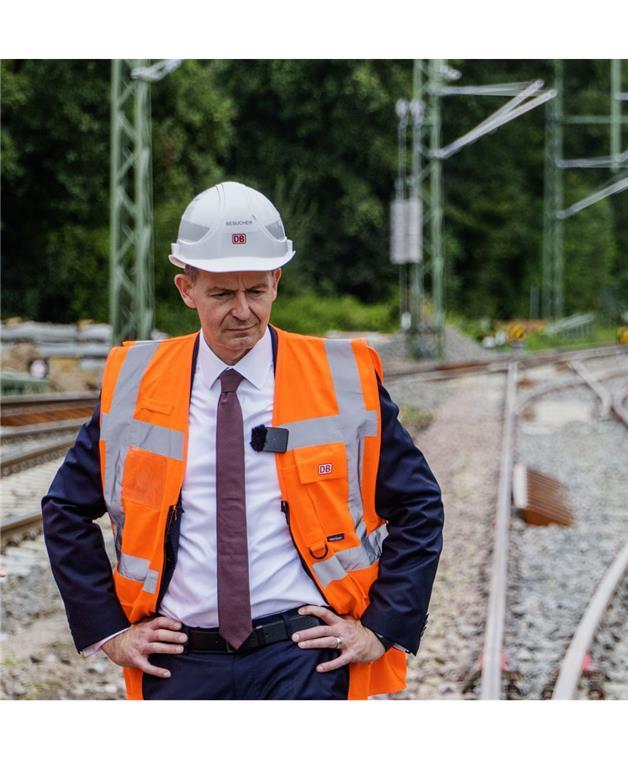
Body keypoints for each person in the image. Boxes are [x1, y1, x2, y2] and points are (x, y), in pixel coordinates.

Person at [42, 181, 444, 700]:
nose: (243, 311)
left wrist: (382, 627)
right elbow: (65, 510)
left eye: (256, 290)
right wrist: (109, 631)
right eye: (222, 293)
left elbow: (419, 504)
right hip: (180, 663)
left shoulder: (343, 381)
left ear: (276, 280)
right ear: (186, 290)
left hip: (303, 658)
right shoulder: (137, 385)